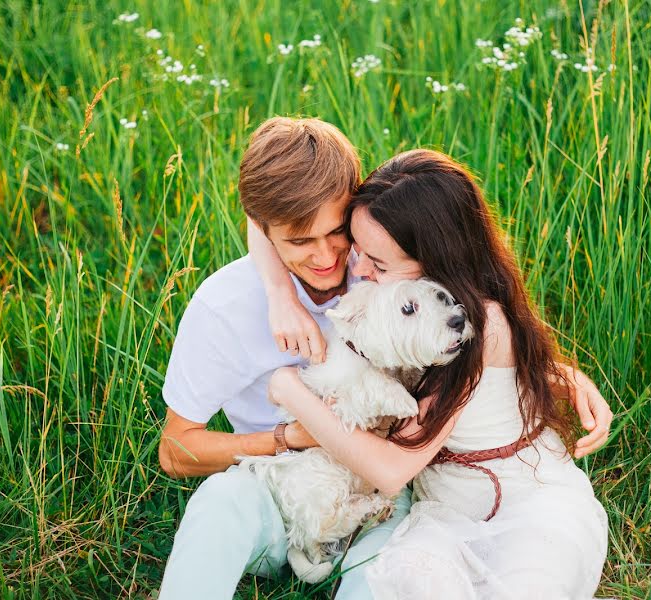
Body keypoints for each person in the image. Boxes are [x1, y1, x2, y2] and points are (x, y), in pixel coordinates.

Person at [159, 115, 612, 598]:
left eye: (336, 233)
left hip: (386, 503)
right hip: (283, 485)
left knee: (380, 577)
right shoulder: (223, 306)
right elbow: (175, 450)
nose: (327, 258)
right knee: (221, 501)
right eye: (298, 241)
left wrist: (551, 371)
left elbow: (474, 329)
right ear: (265, 233)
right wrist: (288, 435)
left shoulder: (380, 261)